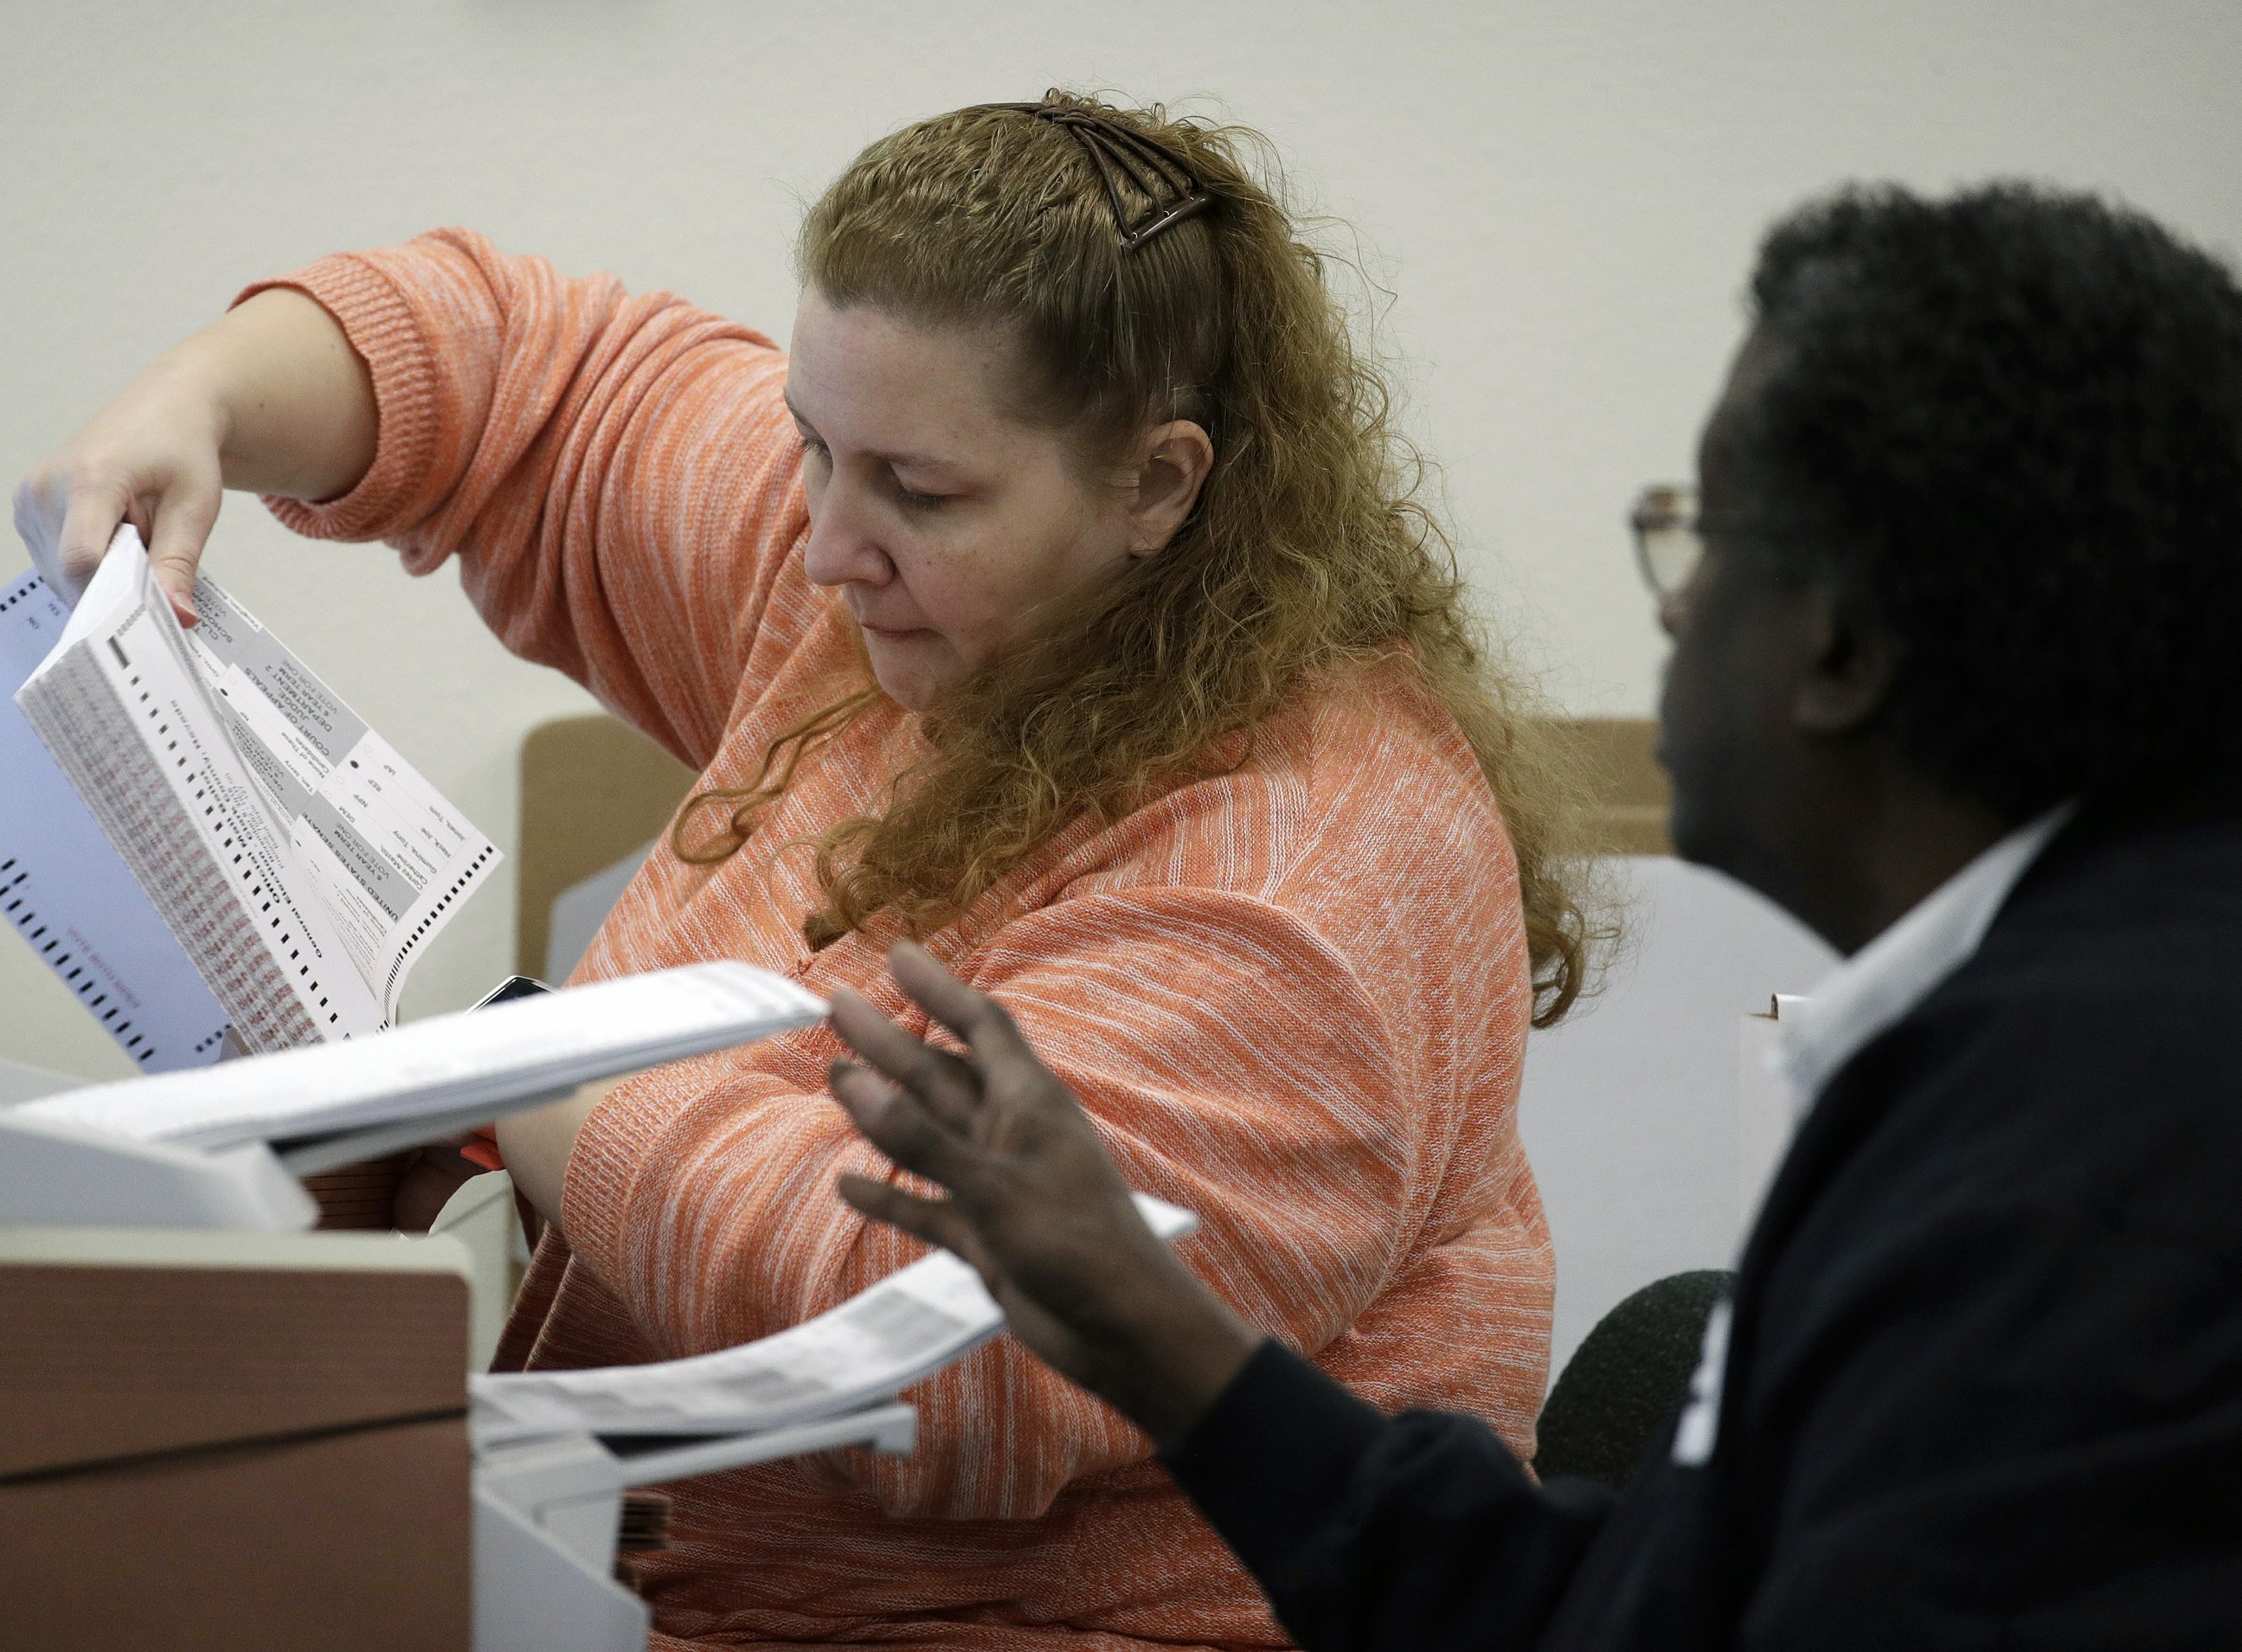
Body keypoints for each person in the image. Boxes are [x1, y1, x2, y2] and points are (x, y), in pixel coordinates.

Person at [17, 96, 1600, 1647]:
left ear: (1158, 484)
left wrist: (510, 1067)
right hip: (651, 1582)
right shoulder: (899, 594)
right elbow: (522, 380)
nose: (831, 546)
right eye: (809, 446)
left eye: (920, 490)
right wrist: (201, 399)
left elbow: (951, 1347)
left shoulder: (1301, 874)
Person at [826, 181, 2242, 1649]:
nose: (1675, 618)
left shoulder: (2089, 1172)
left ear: (1837, 645)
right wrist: (1163, 1334)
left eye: (1703, 541)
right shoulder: (2052, 1050)